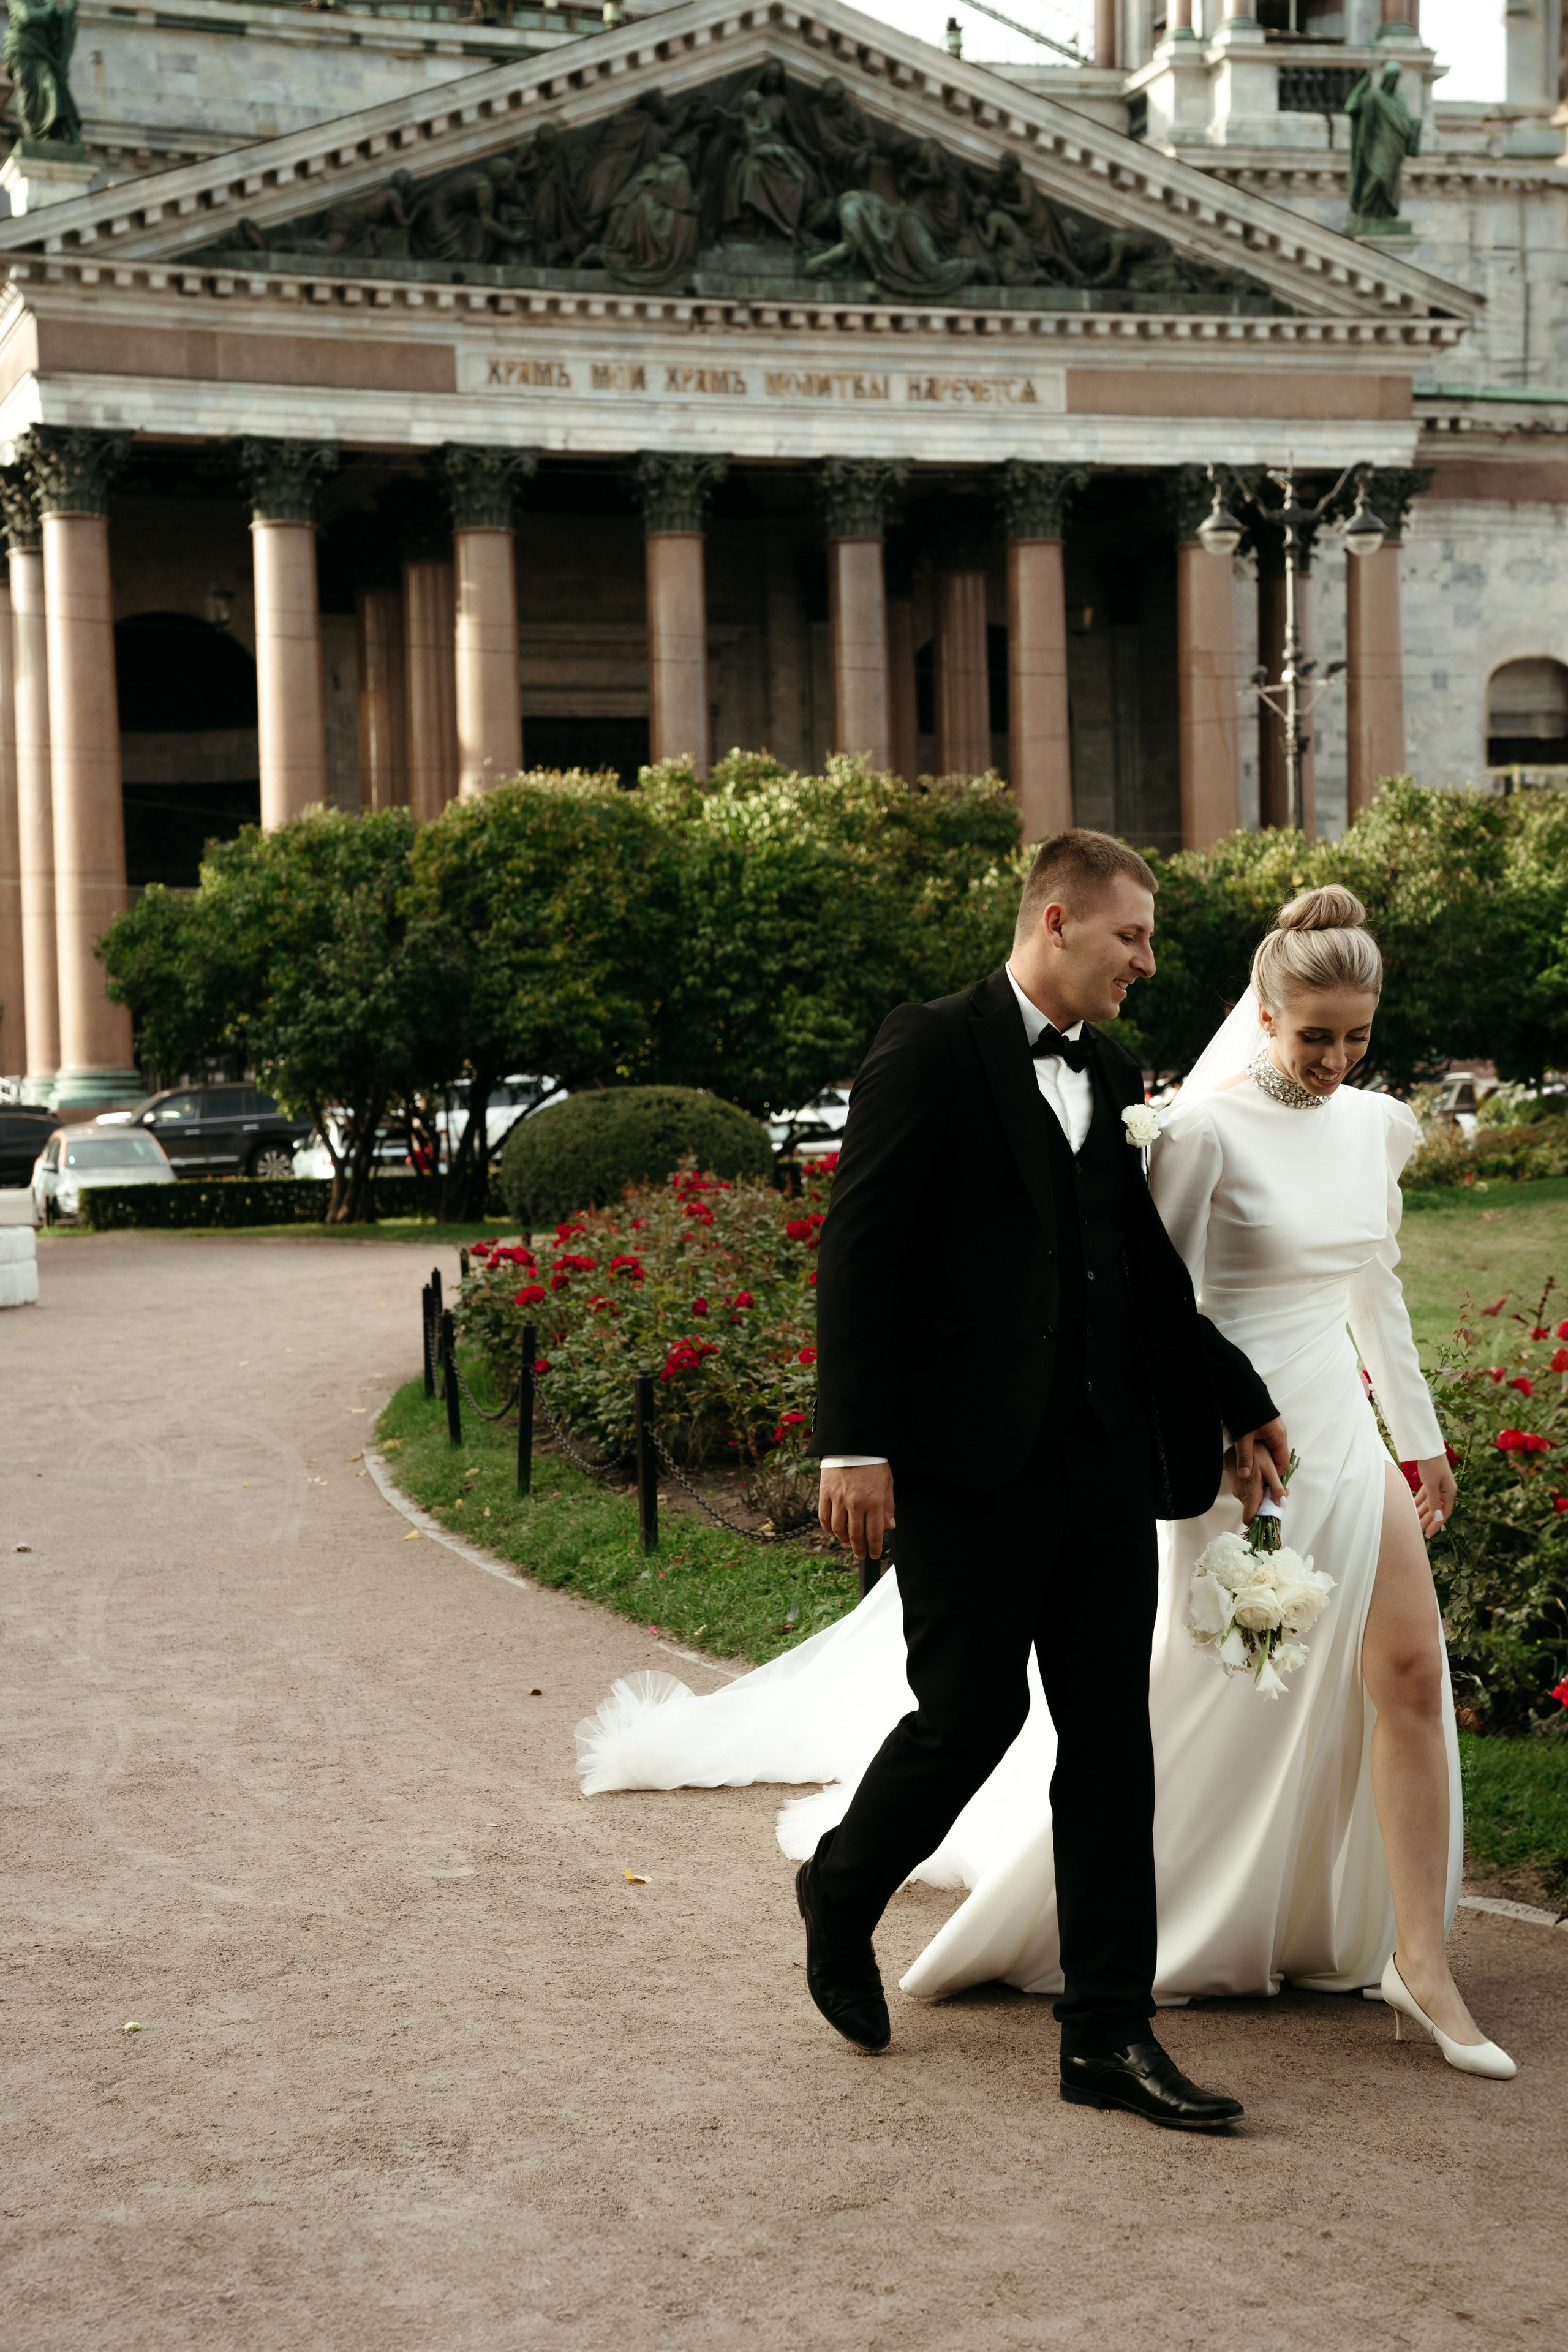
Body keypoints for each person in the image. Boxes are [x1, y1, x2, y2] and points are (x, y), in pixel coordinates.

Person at [577, 880, 1518, 2091]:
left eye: (1356, 1036)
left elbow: (1155, 1287)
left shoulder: (1124, 1077)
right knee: (977, 1715)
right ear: (1061, 918)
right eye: (1133, 936)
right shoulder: (943, 1048)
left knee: (1128, 1733)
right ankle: (846, 1881)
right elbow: (864, 1252)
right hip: (977, 1455)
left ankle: (1113, 2031)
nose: (1147, 959)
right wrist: (851, 1444)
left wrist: (1277, 1409)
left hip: (1172, 1447)